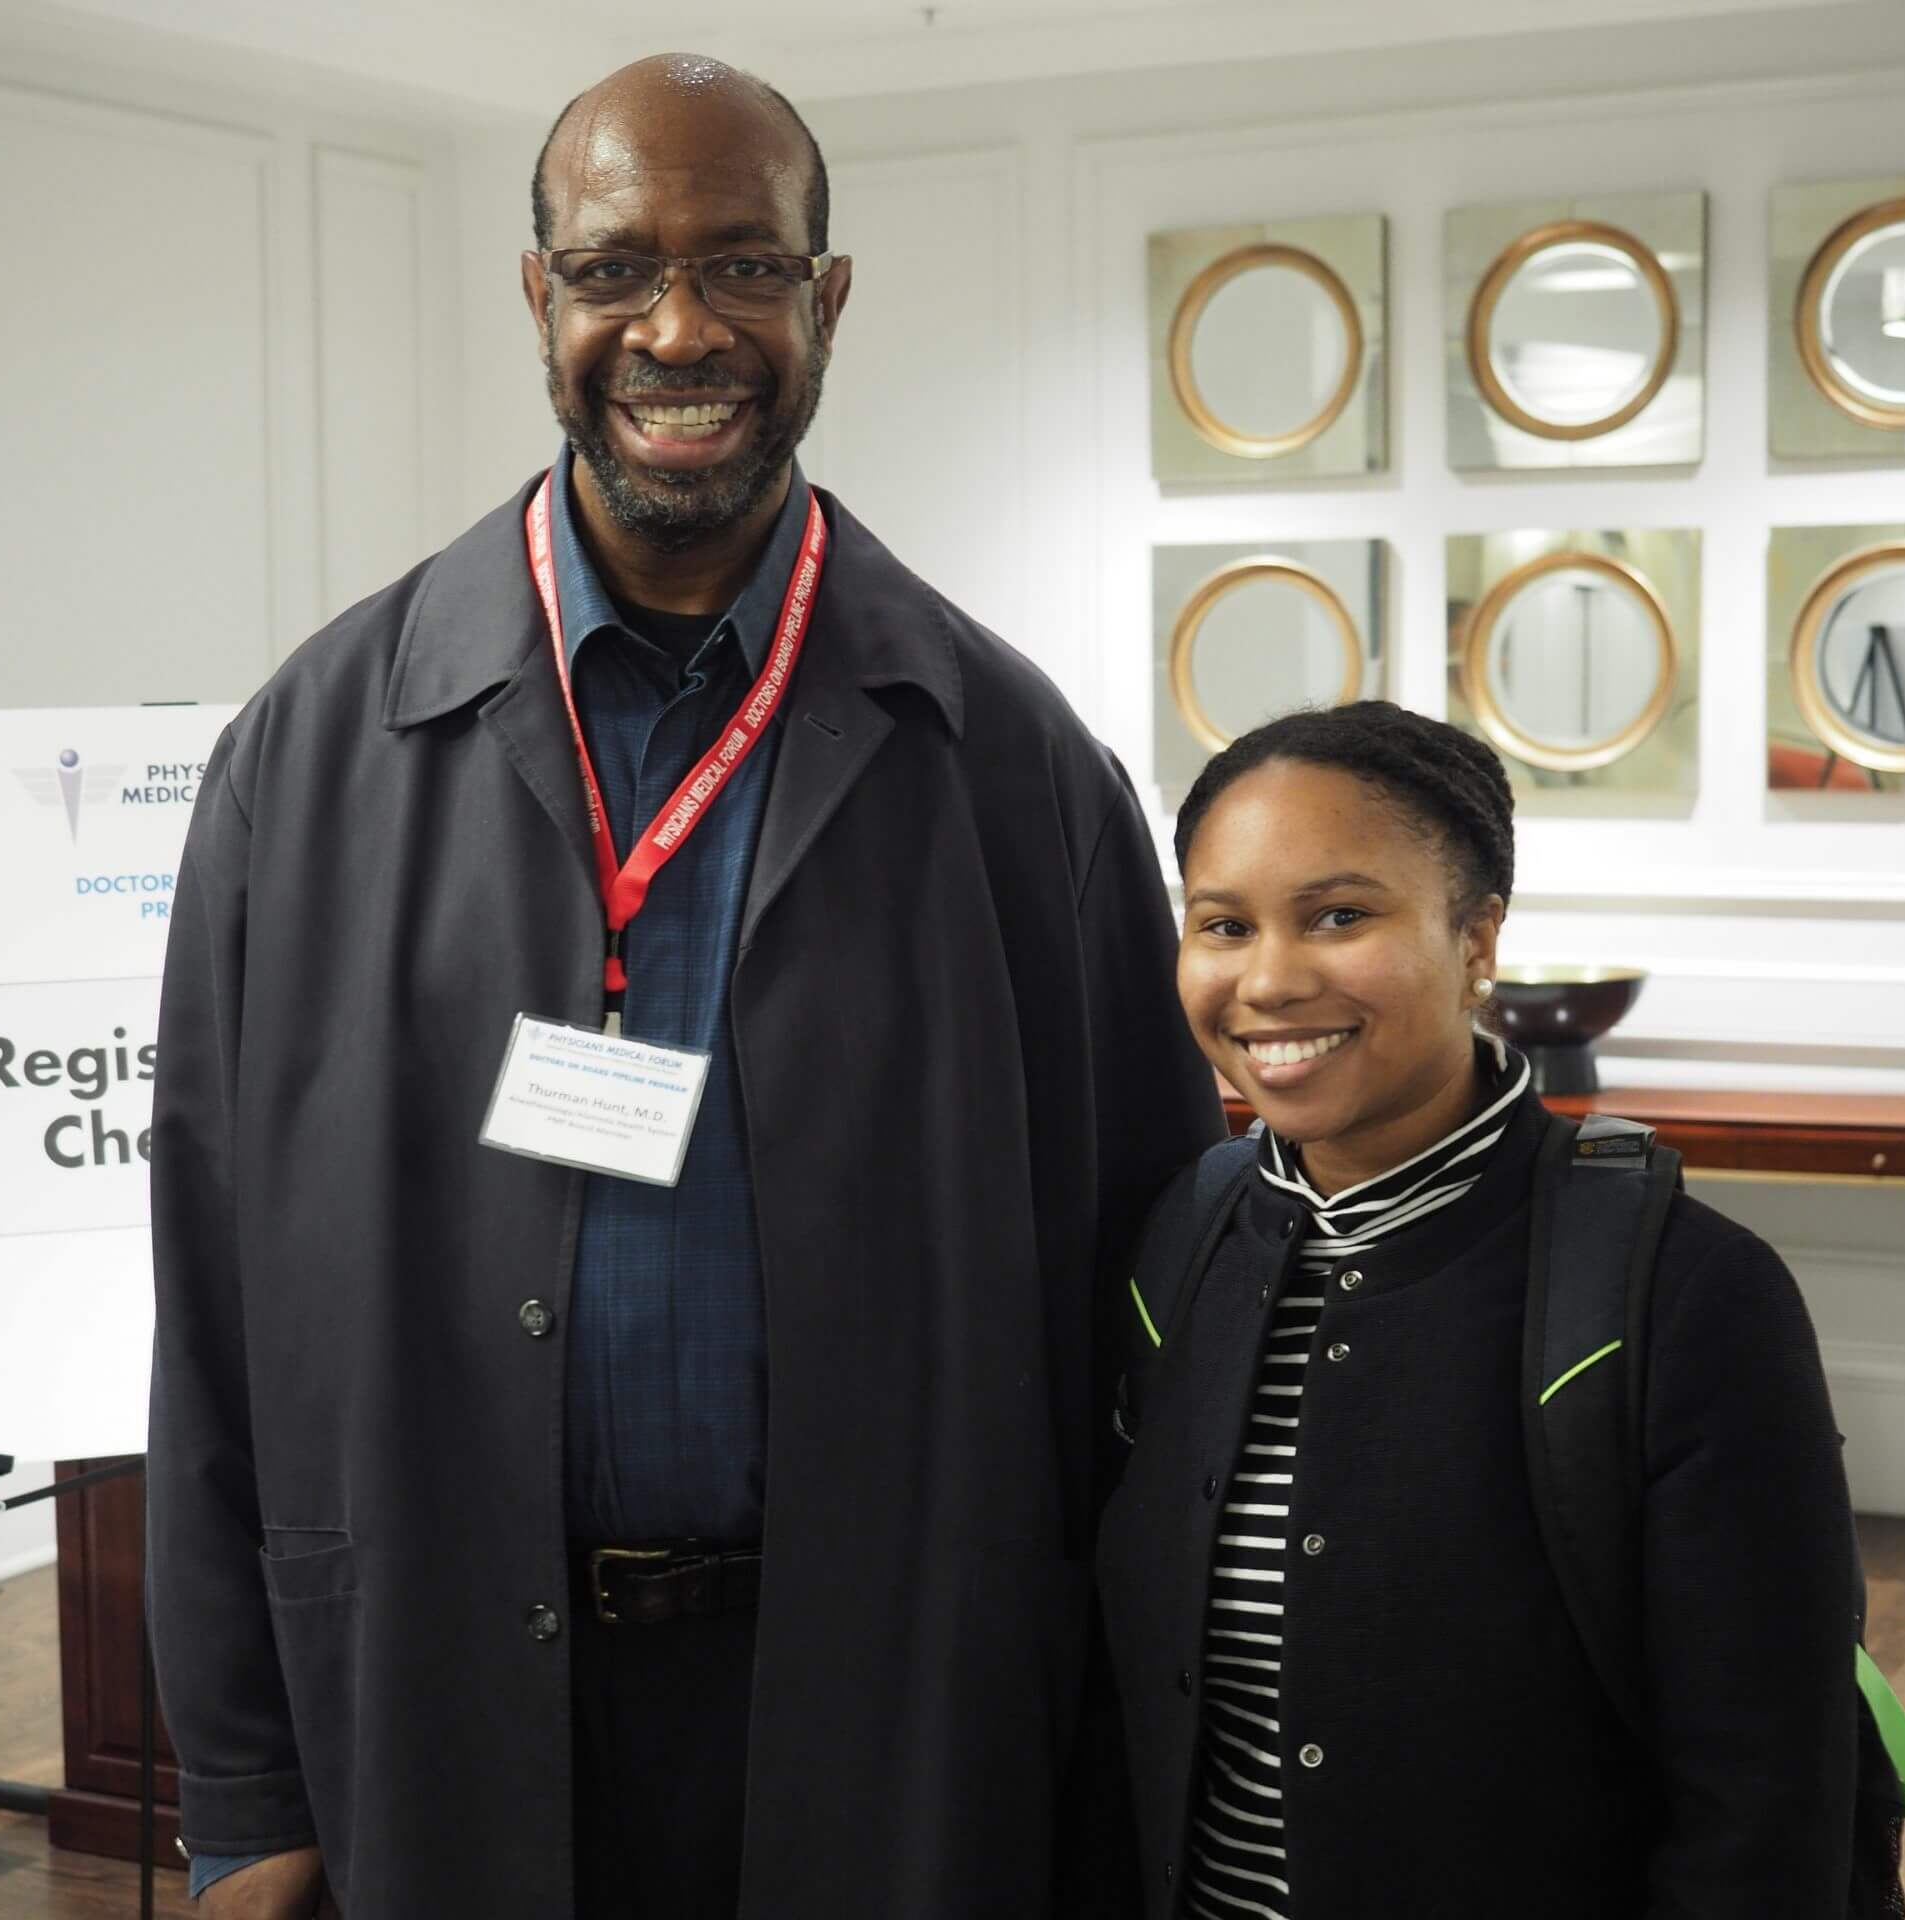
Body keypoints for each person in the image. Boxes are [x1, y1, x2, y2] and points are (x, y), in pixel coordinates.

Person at [145, 50, 1220, 1920]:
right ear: (539, 296)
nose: (678, 327)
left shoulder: (1016, 769)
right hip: (437, 1694)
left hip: (896, 1715)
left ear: (829, 298)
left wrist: (1104, 1778)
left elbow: (1148, 1316)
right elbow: (213, 1302)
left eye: (744, 265)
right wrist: (243, 1781)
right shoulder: (306, 759)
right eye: (615, 269)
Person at [1096, 702, 1863, 1918]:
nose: (1270, 980)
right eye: (1223, 925)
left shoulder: (1685, 1294)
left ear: (1475, 938)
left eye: (1339, 916)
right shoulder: (1182, 1240)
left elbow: (1766, 1807)